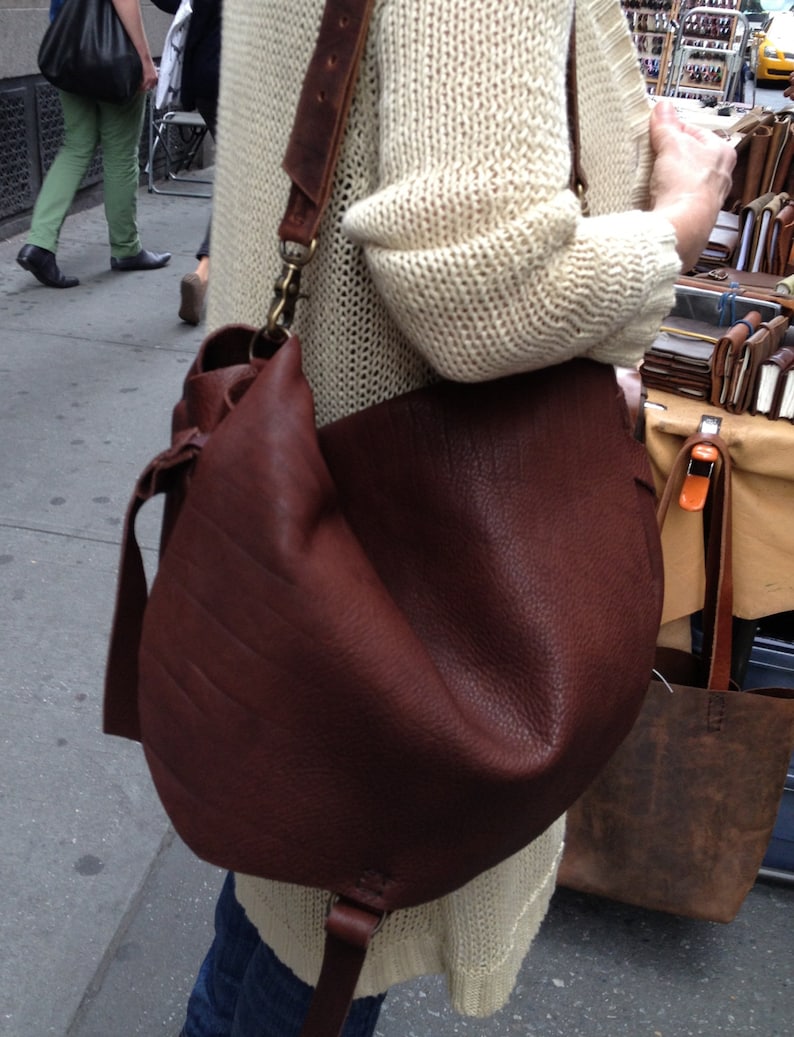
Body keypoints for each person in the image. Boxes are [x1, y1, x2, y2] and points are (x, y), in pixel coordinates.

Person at [176, 1, 735, 1035]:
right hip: (396, 566)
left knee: (288, 898)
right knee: (314, 944)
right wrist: (678, 221)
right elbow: (485, 287)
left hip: (297, 510)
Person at [16, 0, 171, 289]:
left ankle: (39, 244)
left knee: (75, 146)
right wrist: (145, 60)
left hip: (69, 49)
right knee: (121, 154)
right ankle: (126, 249)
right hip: (116, 57)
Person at [152, 0, 222, 324]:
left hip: (206, 77)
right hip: (248, 78)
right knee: (246, 181)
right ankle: (205, 270)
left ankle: (207, 270)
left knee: (239, 178)